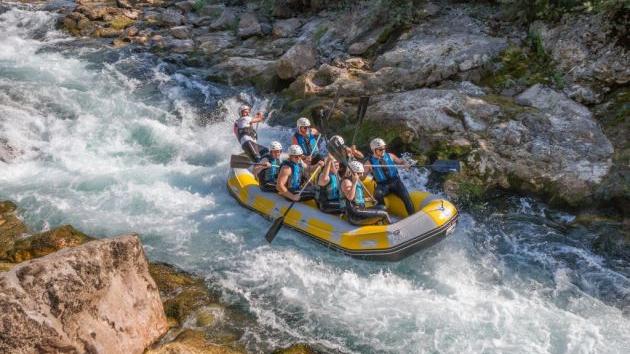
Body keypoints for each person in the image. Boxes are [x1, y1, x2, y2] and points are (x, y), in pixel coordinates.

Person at [363, 138, 415, 216]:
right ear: (374, 150)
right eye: (380, 149)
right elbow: (362, 177)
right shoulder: (369, 162)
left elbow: (401, 162)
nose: (383, 150)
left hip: (395, 182)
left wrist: (406, 164)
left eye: (384, 148)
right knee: (377, 194)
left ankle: (412, 215)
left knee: (406, 197)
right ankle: (383, 215)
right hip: (382, 185)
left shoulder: (390, 156)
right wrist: (358, 175)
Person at [341, 160, 391, 225]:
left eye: (362, 172)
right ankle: (392, 229)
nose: (362, 175)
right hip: (354, 215)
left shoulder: (355, 180)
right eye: (359, 173)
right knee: (384, 214)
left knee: (383, 207)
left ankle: (379, 225)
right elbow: (350, 198)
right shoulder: (346, 182)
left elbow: (357, 199)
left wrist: (368, 199)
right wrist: (354, 182)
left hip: (361, 209)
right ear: (352, 173)